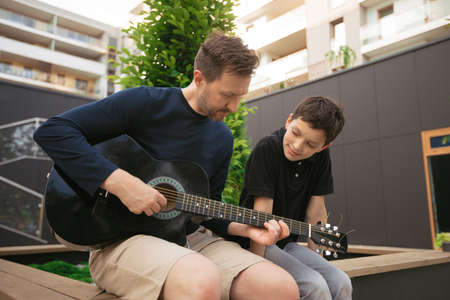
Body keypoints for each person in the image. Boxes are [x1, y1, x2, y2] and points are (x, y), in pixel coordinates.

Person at [33, 32, 299, 300]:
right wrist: (120, 183)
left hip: (187, 240)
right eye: (228, 95)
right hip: (118, 241)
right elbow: (53, 131)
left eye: (241, 96)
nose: (234, 106)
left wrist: (246, 228)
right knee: (202, 280)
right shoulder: (144, 103)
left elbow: (207, 208)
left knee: (280, 288)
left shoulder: (222, 138)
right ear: (199, 78)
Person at [239, 96, 352, 300]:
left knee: (341, 281)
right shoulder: (268, 148)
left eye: (310, 144)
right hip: (255, 242)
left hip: (288, 243)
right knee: (314, 284)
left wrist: (317, 257)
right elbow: (261, 215)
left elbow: (315, 212)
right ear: (289, 120)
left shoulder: (321, 158)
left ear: (323, 147)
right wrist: (258, 269)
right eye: (295, 133)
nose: (298, 146)